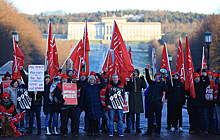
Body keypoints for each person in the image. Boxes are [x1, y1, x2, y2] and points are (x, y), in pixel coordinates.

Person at [142, 65, 168, 137]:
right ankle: (149, 131)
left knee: (158, 118)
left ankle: (158, 132)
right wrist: (147, 70)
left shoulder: (162, 84)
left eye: (158, 77)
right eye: (156, 77)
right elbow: (147, 78)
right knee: (150, 118)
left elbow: (166, 89)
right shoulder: (152, 83)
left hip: (158, 104)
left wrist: (164, 82)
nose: (157, 78)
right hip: (151, 103)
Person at [80, 71, 105, 136]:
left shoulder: (97, 86)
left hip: (97, 106)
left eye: (93, 79)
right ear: (89, 80)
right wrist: (82, 105)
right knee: (90, 119)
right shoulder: (85, 87)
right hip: (89, 105)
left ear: (95, 80)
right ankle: (90, 131)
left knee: (96, 120)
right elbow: (82, 96)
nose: (92, 80)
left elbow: (103, 83)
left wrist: (99, 75)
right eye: (91, 79)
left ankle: (96, 131)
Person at [20, 66, 43, 134]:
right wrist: (21, 71)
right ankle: (30, 129)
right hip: (31, 102)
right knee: (31, 116)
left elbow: (41, 93)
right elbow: (24, 78)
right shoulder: (29, 82)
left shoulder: (40, 83)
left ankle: (39, 129)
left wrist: (37, 93)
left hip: (38, 103)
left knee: (38, 116)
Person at [187, 70, 210, 134]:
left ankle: (203, 129)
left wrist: (205, 75)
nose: (196, 79)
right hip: (193, 104)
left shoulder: (202, 84)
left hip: (200, 104)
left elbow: (207, 82)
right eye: (195, 78)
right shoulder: (192, 85)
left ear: (199, 78)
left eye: (197, 78)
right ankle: (195, 129)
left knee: (201, 117)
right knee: (194, 117)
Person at [124, 69, 147, 133]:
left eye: (135, 73)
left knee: (138, 115)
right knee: (130, 114)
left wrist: (143, 79)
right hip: (131, 98)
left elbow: (144, 86)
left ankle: (137, 127)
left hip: (138, 99)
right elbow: (128, 88)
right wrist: (128, 82)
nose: (134, 74)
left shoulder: (140, 80)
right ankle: (128, 127)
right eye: (134, 73)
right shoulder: (130, 80)